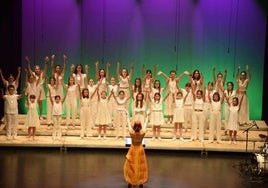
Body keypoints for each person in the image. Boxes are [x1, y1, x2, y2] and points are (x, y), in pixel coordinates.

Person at [123, 121, 148, 188]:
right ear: (140, 127)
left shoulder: (132, 133)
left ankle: (131, 182)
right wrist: (147, 117)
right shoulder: (142, 133)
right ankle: (140, 183)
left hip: (133, 150)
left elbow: (128, 124)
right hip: (140, 150)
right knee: (140, 166)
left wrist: (127, 115)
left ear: (134, 127)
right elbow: (145, 124)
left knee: (131, 167)